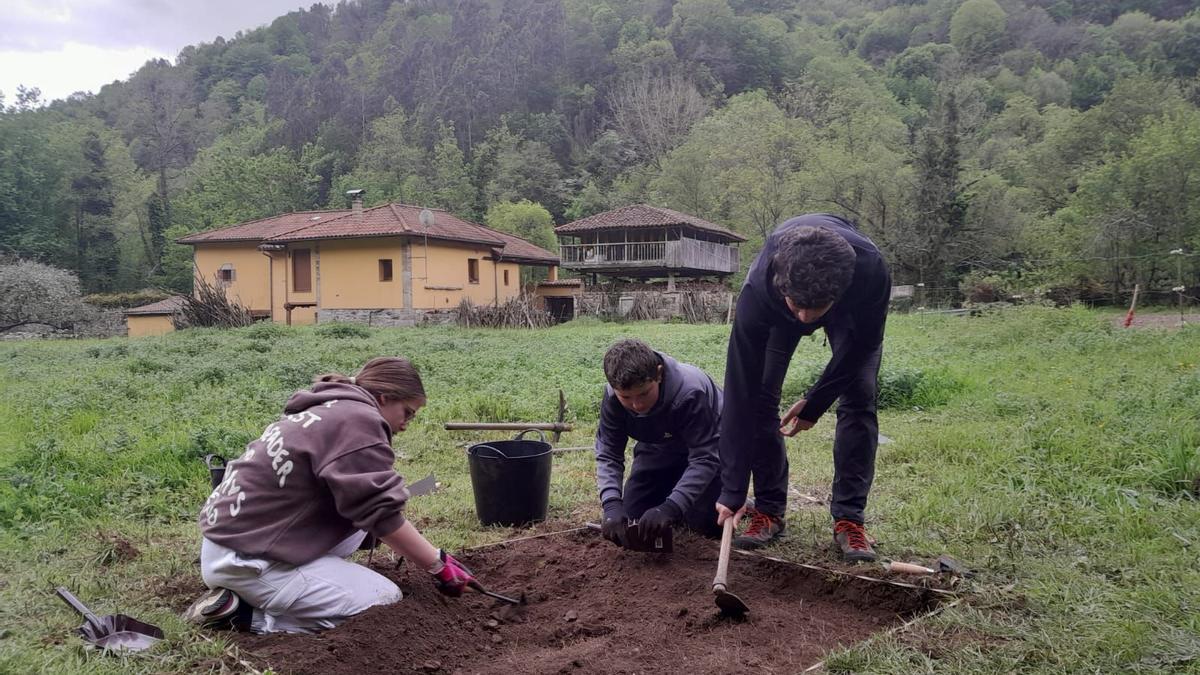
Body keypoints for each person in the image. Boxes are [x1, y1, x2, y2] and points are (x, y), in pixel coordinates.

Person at [183, 357, 475, 633]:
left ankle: (285, 585)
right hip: (250, 562)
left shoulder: (329, 408)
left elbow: (363, 503)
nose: (406, 424)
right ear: (384, 397)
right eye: (407, 412)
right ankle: (242, 616)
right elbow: (380, 512)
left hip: (234, 543)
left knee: (361, 527)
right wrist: (436, 563)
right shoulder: (360, 420)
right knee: (384, 600)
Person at [715, 214, 890, 562]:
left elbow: (863, 345)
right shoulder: (759, 289)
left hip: (848, 315)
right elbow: (740, 389)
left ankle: (849, 520)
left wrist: (816, 401)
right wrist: (733, 487)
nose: (806, 320)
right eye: (799, 307)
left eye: (816, 310)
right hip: (776, 308)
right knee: (762, 397)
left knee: (859, 398)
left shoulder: (871, 272)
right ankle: (768, 510)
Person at [595, 338, 723, 545]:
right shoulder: (612, 399)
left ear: (659, 374)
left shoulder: (690, 393)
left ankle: (734, 498)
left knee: (703, 526)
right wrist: (610, 504)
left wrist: (670, 507)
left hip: (713, 443)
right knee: (633, 518)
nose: (637, 405)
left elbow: (704, 457)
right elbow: (609, 452)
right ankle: (675, 484)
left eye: (644, 393)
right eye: (626, 397)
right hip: (660, 442)